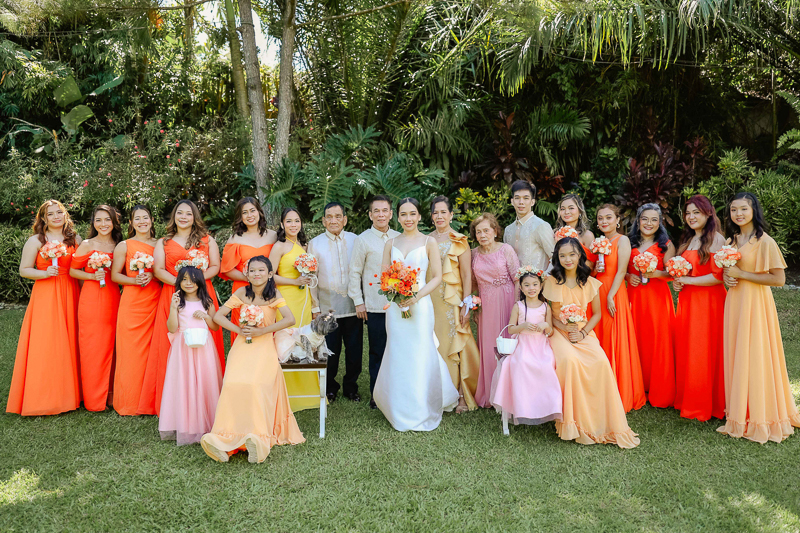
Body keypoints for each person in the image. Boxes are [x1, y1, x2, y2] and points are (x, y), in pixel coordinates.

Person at [202, 255, 305, 462]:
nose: (256, 274)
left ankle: (257, 438)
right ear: (247, 274)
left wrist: (262, 331)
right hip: (242, 347)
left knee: (255, 385)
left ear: (270, 274)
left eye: (261, 270)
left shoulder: (274, 294)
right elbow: (218, 316)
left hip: (264, 346)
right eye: (252, 270)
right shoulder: (241, 292)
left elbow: (290, 319)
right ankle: (223, 437)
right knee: (231, 384)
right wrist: (239, 330)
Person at [717, 192, 800, 443]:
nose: (738, 214)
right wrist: (727, 277)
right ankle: (739, 413)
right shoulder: (731, 241)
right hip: (735, 303)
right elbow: (729, 272)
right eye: (734, 209)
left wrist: (742, 275)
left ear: (754, 210)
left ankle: (761, 414)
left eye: (743, 209)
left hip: (756, 304)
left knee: (755, 354)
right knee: (737, 353)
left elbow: (779, 279)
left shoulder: (765, 242)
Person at [543, 238, 639, 448]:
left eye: (572, 254)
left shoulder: (590, 282)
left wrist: (583, 333)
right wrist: (562, 326)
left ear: (580, 255)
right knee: (569, 361)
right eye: (562, 255)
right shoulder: (550, 281)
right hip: (558, 332)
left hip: (583, 331)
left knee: (601, 361)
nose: (568, 259)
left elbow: (596, 314)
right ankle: (573, 422)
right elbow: (547, 313)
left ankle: (601, 419)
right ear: (557, 258)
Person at [373, 198, 459, 431]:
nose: (408, 218)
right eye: (403, 214)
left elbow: (437, 277)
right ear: (397, 217)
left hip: (420, 306)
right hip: (396, 306)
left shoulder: (429, 242)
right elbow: (384, 275)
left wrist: (416, 296)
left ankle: (422, 405)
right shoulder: (391, 243)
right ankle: (398, 405)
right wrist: (396, 293)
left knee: (421, 350)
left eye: (413, 214)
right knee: (399, 351)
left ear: (420, 216)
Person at [138, 200, 225, 416]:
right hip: (173, 293)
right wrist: (181, 286)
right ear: (174, 216)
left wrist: (196, 284)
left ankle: (208, 399)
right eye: (180, 213)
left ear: (194, 217)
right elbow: (158, 269)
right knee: (172, 341)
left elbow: (215, 266)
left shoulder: (207, 240)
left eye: (188, 213)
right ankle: (175, 402)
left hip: (203, 294)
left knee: (205, 341)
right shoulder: (164, 242)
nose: (183, 217)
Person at [7, 200, 82, 416]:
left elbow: (80, 269)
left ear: (65, 215)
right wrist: (44, 273)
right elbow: (24, 270)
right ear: (43, 218)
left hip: (71, 292)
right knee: (48, 342)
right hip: (46, 295)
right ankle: (44, 396)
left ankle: (72, 393)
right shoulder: (36, 241)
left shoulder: (75, 239)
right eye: (51, 214)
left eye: (60, 212)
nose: (56, 216)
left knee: (71, 340)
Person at [673, 195, 727, 422]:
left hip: (709, 303)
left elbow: (718, 277)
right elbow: (686, 272)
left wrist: (688, 280)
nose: (691, 217)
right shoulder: (688, 240)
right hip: (688, 302)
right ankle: (690, 398)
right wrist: (678, 282)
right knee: (689, 349)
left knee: (704, 350)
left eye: (696, 212)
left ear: (708, 213)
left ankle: (708, 403)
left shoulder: (717, 239)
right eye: (688, 213)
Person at [158, 266, 222, 445]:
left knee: (204, 379)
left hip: (203, 346)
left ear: (199, 282)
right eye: (184, 279)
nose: (189, 283)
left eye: (193, 280)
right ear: (179, 281)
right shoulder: (178, 302)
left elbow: (215, 326)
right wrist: (173, 308)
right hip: (183, 346)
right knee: (185, 381)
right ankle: (187, 424)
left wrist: (206, 317)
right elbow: (172, 328)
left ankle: (207, 422)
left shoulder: (207, 301)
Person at [591, 203, 646, 413]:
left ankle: (619, 391)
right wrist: (595, 268)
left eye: (608, 217)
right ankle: (600, 390)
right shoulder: (599, 243)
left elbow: (622, 271)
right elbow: (595, 272)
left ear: (617, 220)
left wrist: (611, 296)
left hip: (614, 292)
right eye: (601, 218)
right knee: (600, 336)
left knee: (614, 335)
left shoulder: (622, 240)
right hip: (597, 291)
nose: (604, 221)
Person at [490, 268, 562, 426]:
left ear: (541, 286)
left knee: (546, 365)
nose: (531, 288)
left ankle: (546, 405)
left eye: (535, 284)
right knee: (520, 364)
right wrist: (522, 326)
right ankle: (523, 407)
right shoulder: (519, 306)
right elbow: (510, 329)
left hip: (540, 345)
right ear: (521, 288)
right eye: (527, 285)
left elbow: (550, 331)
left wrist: (545, 326)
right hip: (523, 344)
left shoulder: (545, 307)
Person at [429, 196, 480, 413]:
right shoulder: (426, 239)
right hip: (430, 301)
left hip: (452, 300)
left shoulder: (459, 240)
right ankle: (437, 392)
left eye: (444, 212)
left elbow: (467, 275)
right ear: (431, 216)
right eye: (436, 212)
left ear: (451, 215)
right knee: (434, 344)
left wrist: (466, 305)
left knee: (455, 344)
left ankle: (460, 395)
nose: (439, 216)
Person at [348, 195, 400, 409]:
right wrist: (358, 302)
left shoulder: (399, 237)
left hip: (399, 305)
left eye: (384, 210)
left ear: (391, 214)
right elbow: (355, 271)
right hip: (375, 305)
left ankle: (397, 392)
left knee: (398, 351)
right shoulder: (363, 240)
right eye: (376, 211)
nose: (381, 214)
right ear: (370, 215)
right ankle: (377, 395)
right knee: (378, 351)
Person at [70, 205, 123, 411]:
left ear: (114, 222)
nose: (103, 224)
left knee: (113, 345)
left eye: (107, 219)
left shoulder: (119, 245)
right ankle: (93, 399)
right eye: (99, 220)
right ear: (93, 223)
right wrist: (92, 276)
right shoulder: (87, 244)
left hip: (114, 298)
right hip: (92, 299)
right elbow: (73, 271)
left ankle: (110, 394)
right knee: (94, 347)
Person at [268, 208, 320, 411]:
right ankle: (287, 394)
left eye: (296, 221)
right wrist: (294, 281)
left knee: (304, 338)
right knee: (287, 340)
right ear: (282, 224)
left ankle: (308, 392)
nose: (293, 225)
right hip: (286, 298)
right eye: (288, 221)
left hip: (304, 298)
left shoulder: (304, 246)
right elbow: (270, 275)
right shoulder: (279, 246)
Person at [111, 205, 161, 416]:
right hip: (132, 303)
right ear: (131, 223)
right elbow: (115, 275)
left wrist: (153, 275)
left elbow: (165, 270)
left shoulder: (161, 244)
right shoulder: (124, 245)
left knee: (154, 351)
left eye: (145, 217)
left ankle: (152, 400)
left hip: (156, 300)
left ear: (152, 220)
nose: (142, 222)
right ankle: (130, 402)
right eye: (137, 218)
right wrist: (134, 280)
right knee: (130, 352)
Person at [309, 202, 361, 402]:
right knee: (330, 351)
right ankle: (330, 387)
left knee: (354, 350)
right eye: (329, 217)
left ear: (345, 219)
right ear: (323, 221)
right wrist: (315, 306)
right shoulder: (315, 244)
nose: (333, 220)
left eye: (338, 216)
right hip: (327, 307)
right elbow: (311, 278)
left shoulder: (355, 240)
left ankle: (351, 387)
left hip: (353, 306)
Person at [625, 204, 676, 408]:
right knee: (636, 337)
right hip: (634, 297)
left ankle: (659, 388)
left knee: (657, 339)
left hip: (657, 299)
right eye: (645, 219)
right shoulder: (628, 242)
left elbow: (672, 274)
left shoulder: (666, 245)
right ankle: (638, 385)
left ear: (660, 222)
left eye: (654, 219)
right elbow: (619, 269)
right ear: (638, 220)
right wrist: (628, 276)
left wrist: (655, 274)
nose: (649, 223)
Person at [471, 213, 520, 408]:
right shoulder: (473, 254)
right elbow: (473, 284)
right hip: (486, 306)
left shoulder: (506, 249)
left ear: (495, 231)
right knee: (489, 346)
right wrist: (475, 307)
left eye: (486, 230)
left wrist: (517, 307)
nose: (483, 235)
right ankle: (490, 393)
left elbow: (518, 279)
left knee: (507, 345)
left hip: (507, 301)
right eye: (478, 232)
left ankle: (509, 393)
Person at [219, 197, 278, 345]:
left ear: (259, 212)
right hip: (243, 291)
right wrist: (252, 278)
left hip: (268, 290)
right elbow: (227, 270)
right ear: (240, 217)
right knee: (244, 332)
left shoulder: (273, 236)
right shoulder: (235, 239)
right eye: (245, 212)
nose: (249, 215)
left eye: (252, 210)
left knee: (268, 329)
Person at [503, 180, 554, 271]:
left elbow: (555, 256)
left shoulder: (541, 226)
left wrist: (545, 276)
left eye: (526, 198)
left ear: (532, 202)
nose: (521, 202)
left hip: (538, 279)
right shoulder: (508, 230)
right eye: (517, 198)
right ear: (512, 201)